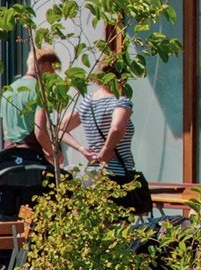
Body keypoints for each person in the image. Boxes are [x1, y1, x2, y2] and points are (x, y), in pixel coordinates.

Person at [59, 61, 150, 214]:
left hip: (92, 175)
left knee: (97, 227)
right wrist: (107, 149)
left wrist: (83, 150)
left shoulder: (87, 103)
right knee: (118, 231)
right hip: (117, 175)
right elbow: (117, 127)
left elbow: (61, 129)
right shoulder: (120, 101)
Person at [0, 47, 58, 156]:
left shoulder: (8, 90)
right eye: (53, 71)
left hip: (9, 154)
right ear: (46, 65)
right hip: (31, 155)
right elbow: (40, 132)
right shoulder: (40, 90)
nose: (53, 75)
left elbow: (6, 130)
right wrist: (53, 153)